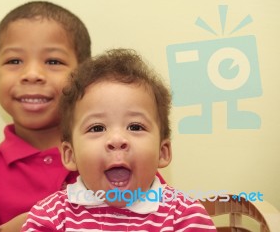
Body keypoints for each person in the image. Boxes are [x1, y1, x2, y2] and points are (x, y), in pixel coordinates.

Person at [22, 49, 216, 231]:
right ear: (70, 155)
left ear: (162, 152)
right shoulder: (50, 218)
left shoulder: (184, 217)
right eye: (97, 128)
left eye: (135, 127)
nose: (117, 139)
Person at [0, 1, 92, 232]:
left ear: (85, 81)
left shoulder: (119, 151)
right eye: (14, 61)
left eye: (53, 61)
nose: (32, 75)